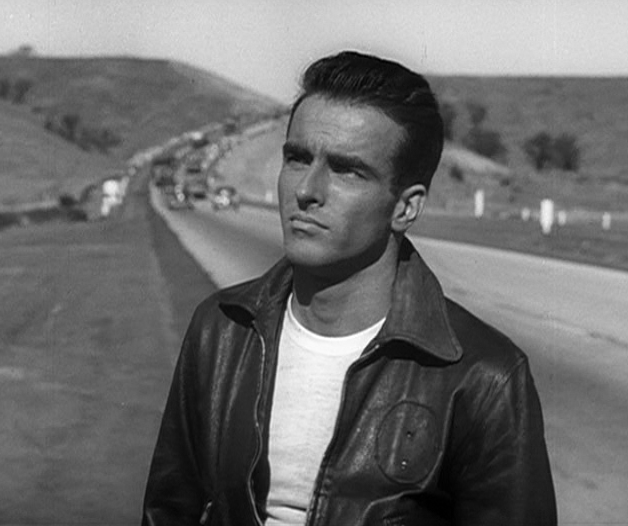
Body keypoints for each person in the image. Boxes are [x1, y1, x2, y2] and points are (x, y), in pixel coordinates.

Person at [142, 50, 557, 525]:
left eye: (347, 170)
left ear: (405, 207)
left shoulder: (483, 377)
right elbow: (168, 511)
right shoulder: (222, 330)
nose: (307, 190)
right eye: (297, 158)